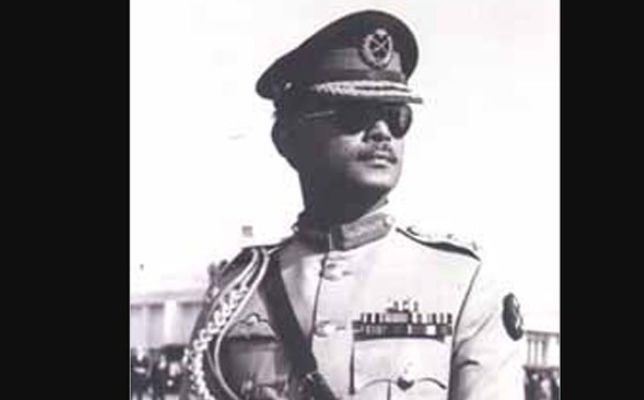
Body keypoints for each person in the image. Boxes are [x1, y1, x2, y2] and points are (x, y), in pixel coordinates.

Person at [181, 9, 525, 400]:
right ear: (287, 138)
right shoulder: (240, 292)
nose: (381, 132)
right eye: (354, 114)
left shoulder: (463, 284)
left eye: (396, 117)